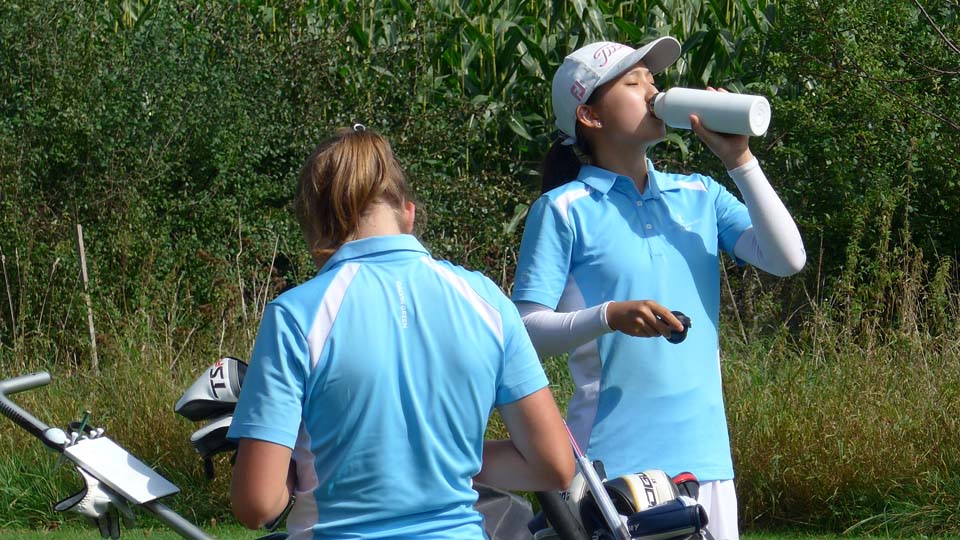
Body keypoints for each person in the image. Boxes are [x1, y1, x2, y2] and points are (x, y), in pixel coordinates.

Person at [511, 38, 806, 540]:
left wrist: (740, 160)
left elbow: (788, 258)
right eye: (633, 82)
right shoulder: (563, 209)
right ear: (590, 116)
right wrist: (609, 316)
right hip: (612, 470)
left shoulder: (699, 194)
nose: (652, 90)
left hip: (706, 461)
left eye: (652, 79)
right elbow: (525, 331)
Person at [227, 125, 574, 539]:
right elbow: (554, 465)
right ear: (408, 213)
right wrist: (441, 458)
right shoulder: (485, 299)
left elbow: (258, 504)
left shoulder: (296, 316)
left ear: (318, 232)